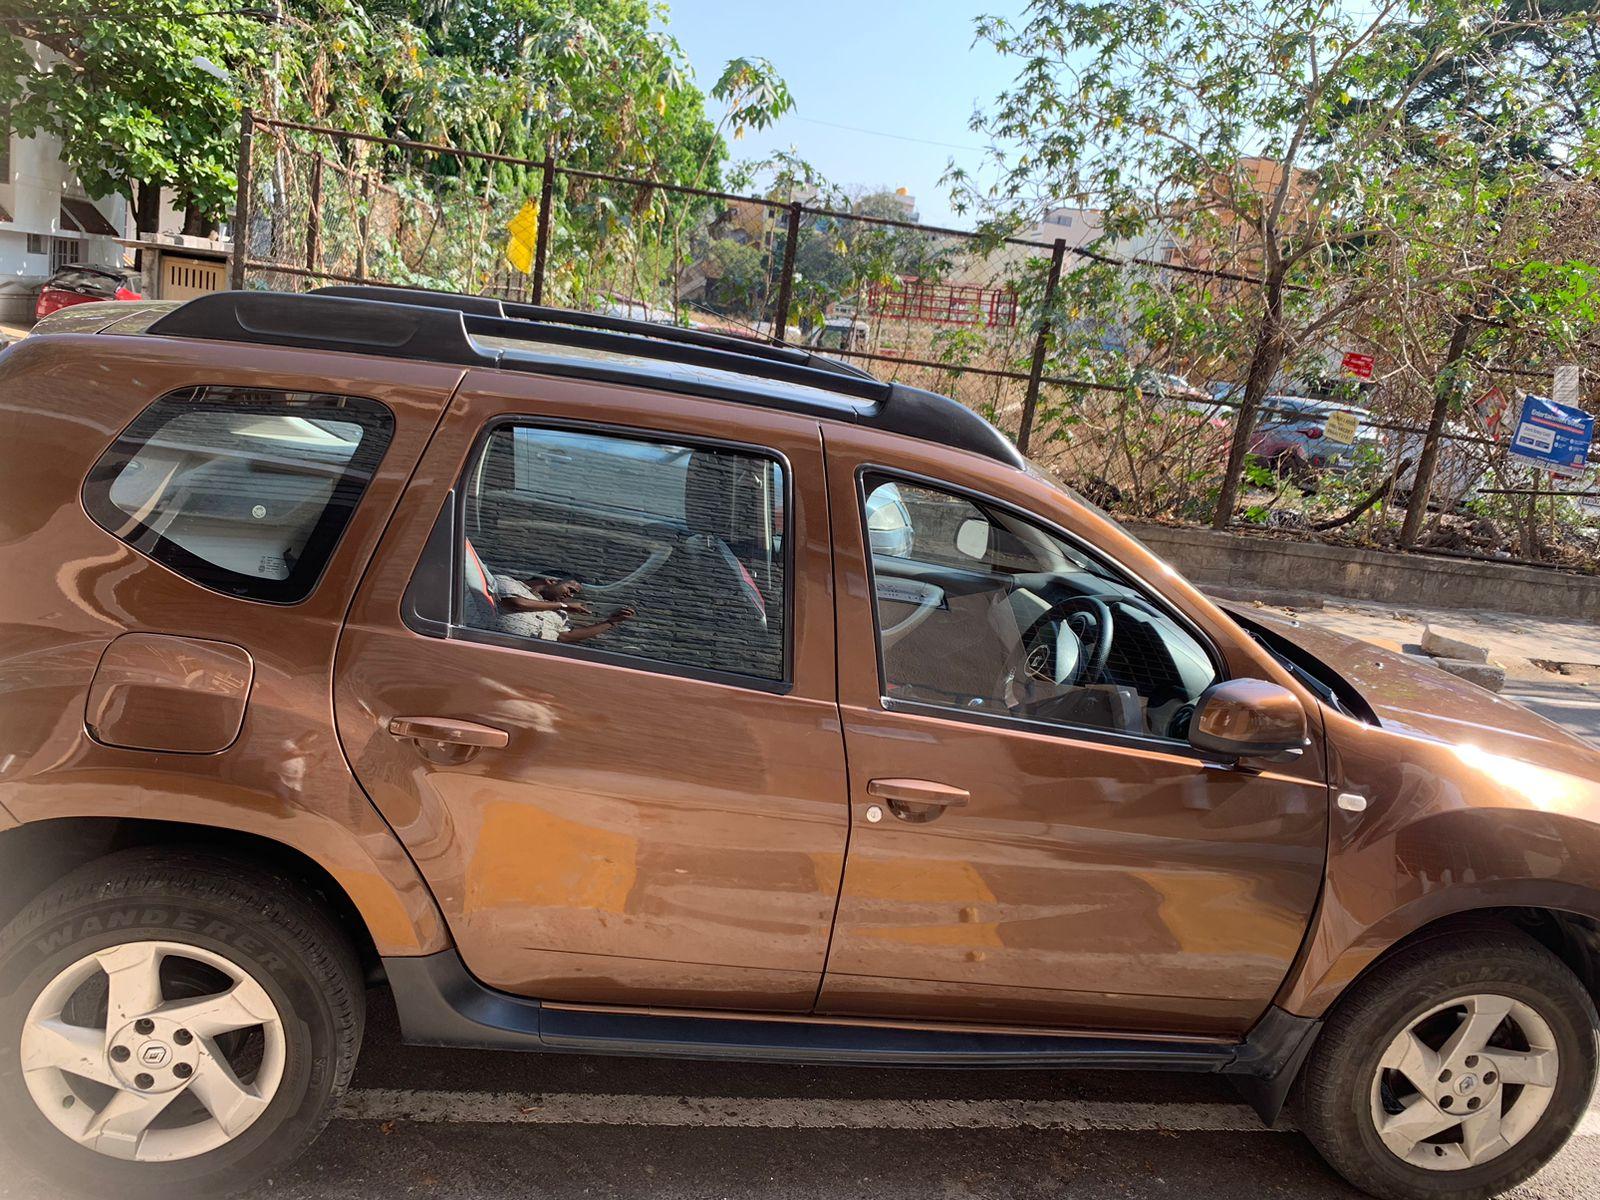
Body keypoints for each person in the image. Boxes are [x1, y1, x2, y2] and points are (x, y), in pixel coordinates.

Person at [493, 574, 635, 644]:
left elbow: (565, 636)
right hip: (492, 645)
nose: (570, 595)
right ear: (551, 581)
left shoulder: (559, 613)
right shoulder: (506, 582)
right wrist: (564, 606)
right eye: (570, 589)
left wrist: (611, 622)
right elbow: (515, 603)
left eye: (573, 594)